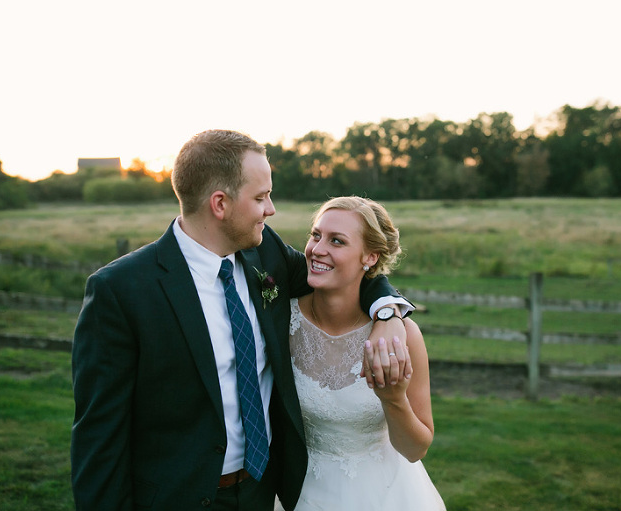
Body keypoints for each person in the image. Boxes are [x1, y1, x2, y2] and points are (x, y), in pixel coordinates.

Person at [70, 130, 412, 511]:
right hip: (174, 498)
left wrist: (388, 311)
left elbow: (347, 273)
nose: (271, 209)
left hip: (263, 493)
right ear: (220, 203)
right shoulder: (121, 291)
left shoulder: (265, 254)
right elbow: (99, 437)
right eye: (261, 197)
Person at [284, 196, 445, 510]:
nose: (317, 249)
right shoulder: (282, 319)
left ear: (370, 257)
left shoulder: (404, 336)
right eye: (315, 235)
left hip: (383, 494)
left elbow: (414, 450)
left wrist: (394, 399)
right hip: (297, 489)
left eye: (337, 241)